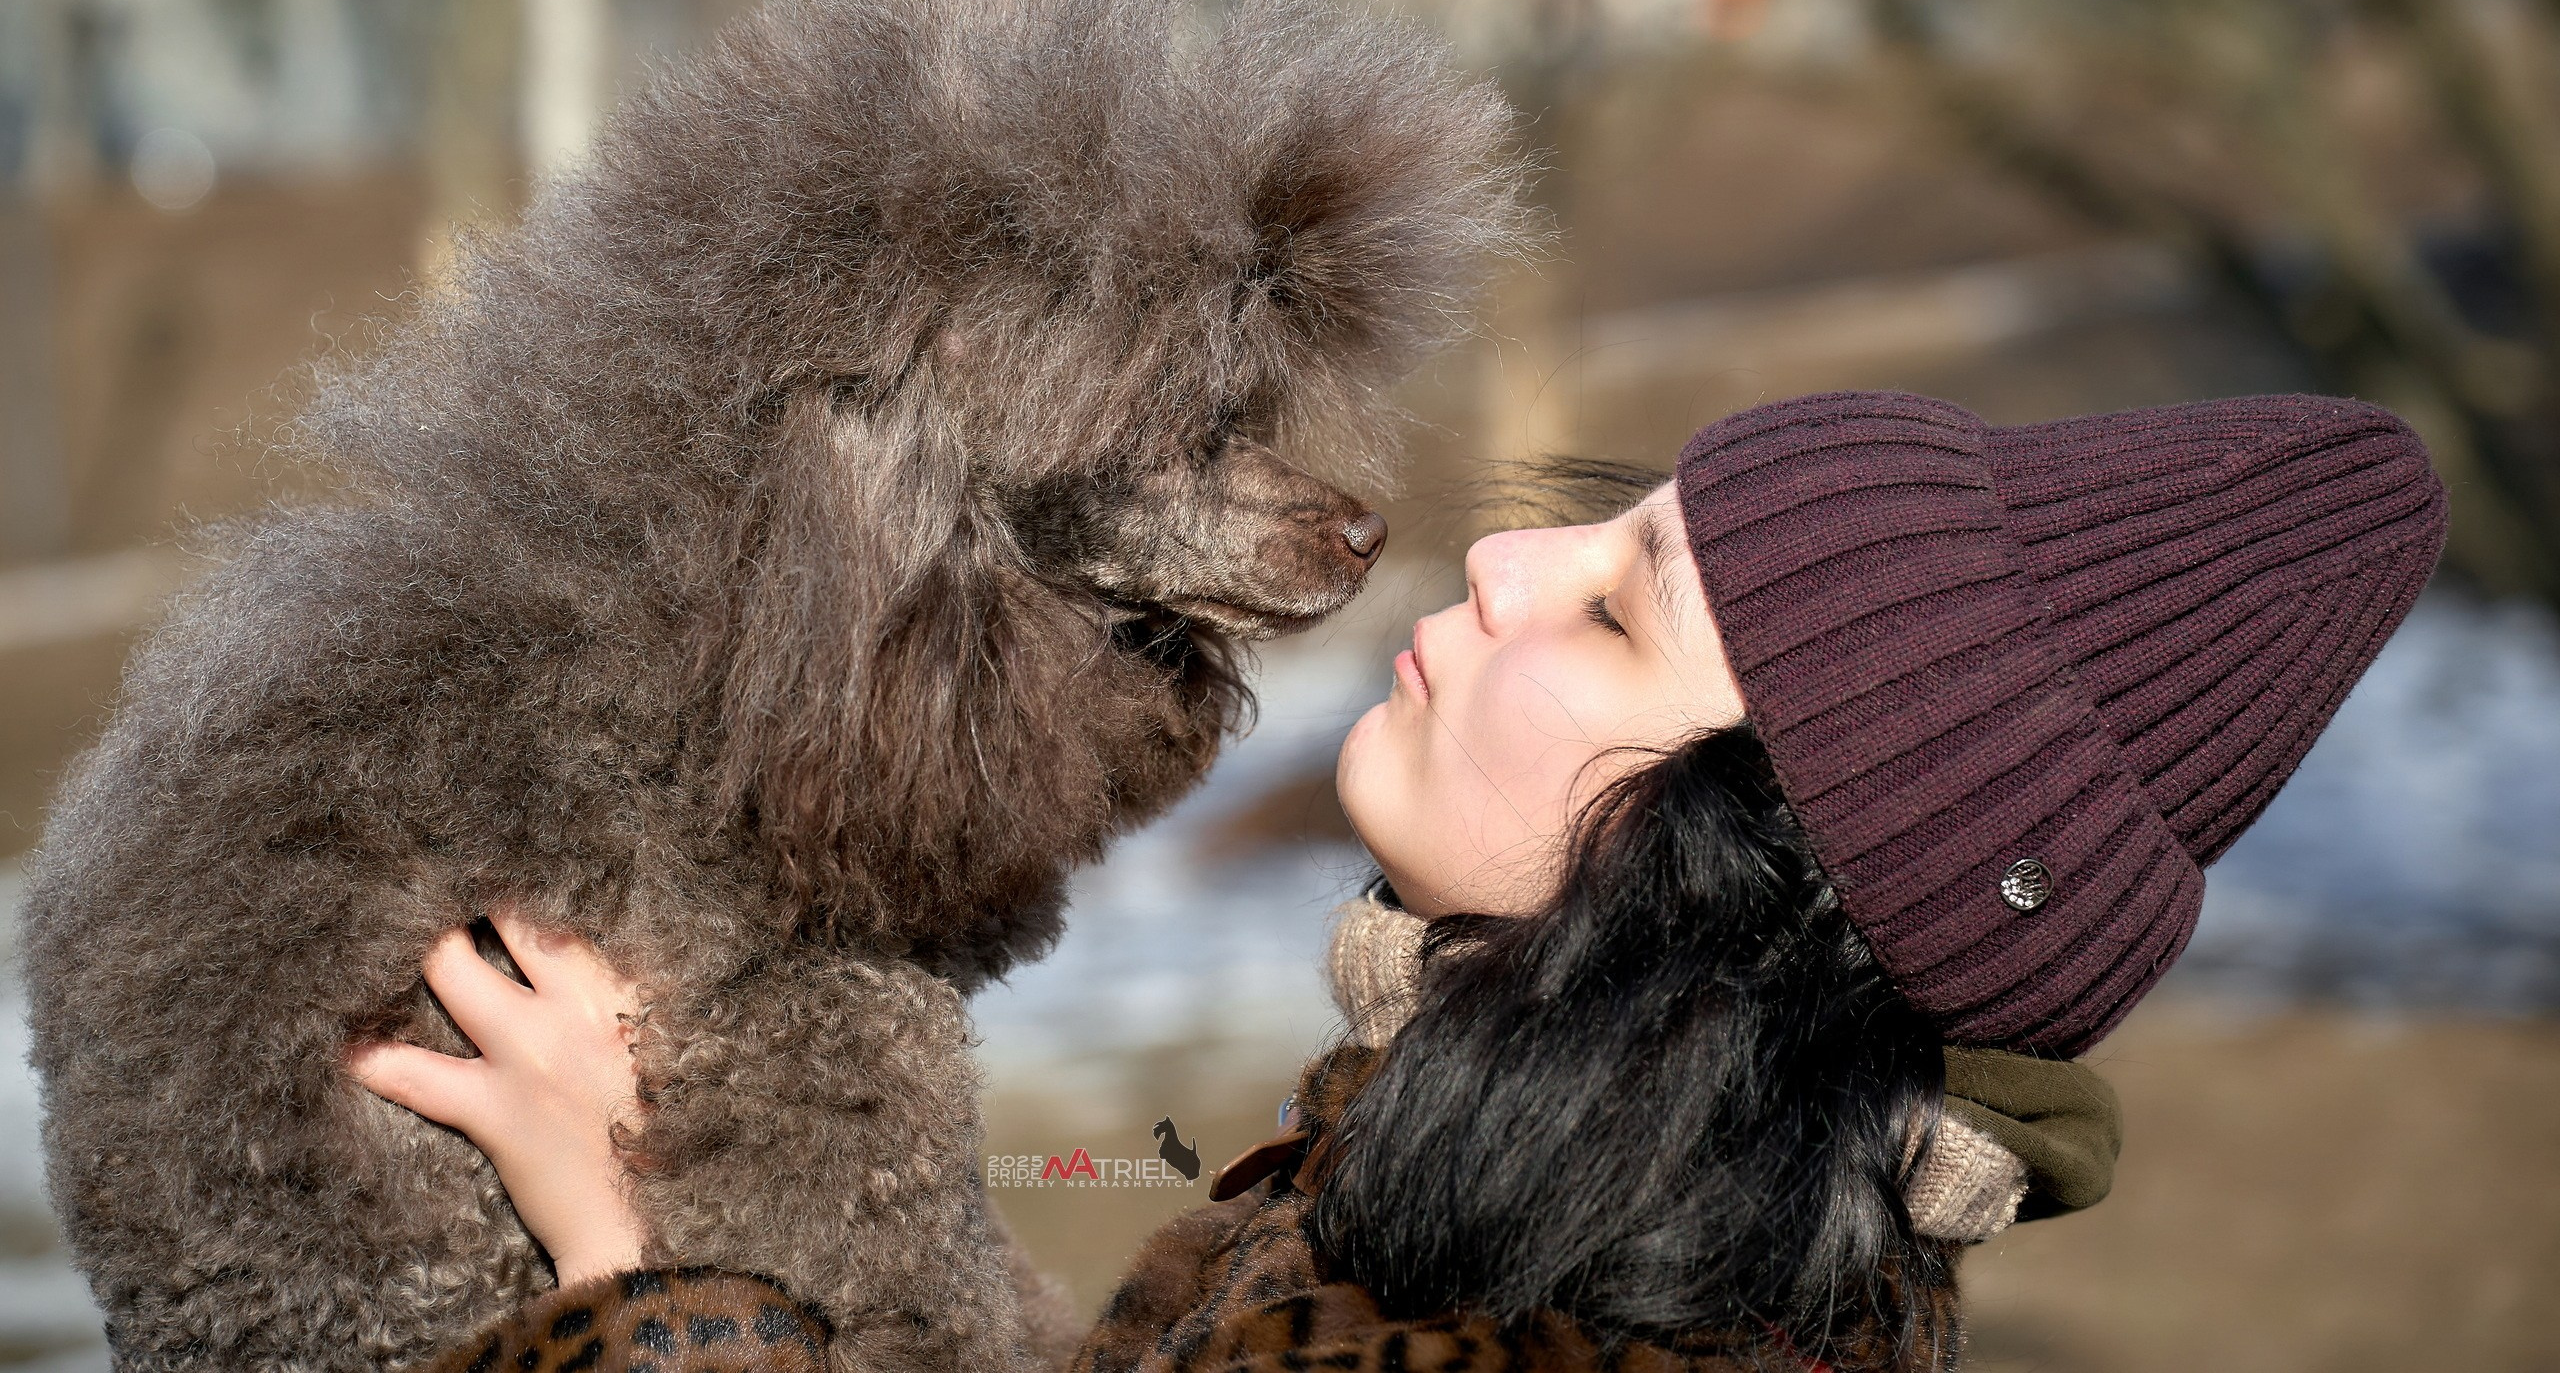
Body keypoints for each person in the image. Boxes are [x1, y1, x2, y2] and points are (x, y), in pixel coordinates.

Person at [351, 390, 2446, 1373]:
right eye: (1604, 525)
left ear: (1744, 897)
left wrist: (620, 1275)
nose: (1504, 560)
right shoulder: (1494, 1194)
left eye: (1621, 619)